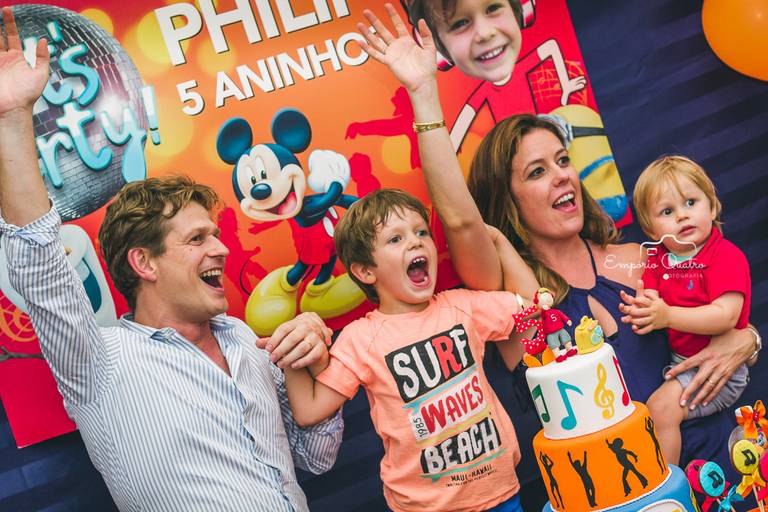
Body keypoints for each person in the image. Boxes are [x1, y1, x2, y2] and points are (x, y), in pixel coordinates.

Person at [354, 2, 760, 499]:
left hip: (730, 471)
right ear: (508, 199)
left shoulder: (642, 256)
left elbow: (723, 315)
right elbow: (460, 219)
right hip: (621, 502)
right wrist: (422, 94)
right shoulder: (511, 301)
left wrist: (746, 339)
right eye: (536, 171)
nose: (563, 174)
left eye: (562, 160)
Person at [0, 8, 341, 511]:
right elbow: (39, 261)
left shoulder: (246, 340)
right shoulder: (101, 363)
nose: (221, 249)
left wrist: (313, 366)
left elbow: (316, 460)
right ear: (145, 263)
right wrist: (11, 120)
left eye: (216, 234)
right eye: (198, 238)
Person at [283, 188, 528, 512]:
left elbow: (536, 303)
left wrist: (496, 241)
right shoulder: (361, 338)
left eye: (421, 232)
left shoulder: (463, 307)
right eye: (395, 239)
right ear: (365, 271)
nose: (415, 241)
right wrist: (290, 351)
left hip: (501, 494)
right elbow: (309, 410)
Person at [622, 155, 751, 465]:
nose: (682, 216)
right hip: (683, 363)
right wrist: (643, 308)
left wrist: (667, 315)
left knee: (661, 409)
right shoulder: (659, 259)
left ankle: (668, 488)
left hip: (723, 369)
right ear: (652, 230)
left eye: (691, 202)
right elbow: (649, 296)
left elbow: (726, 316)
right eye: (668, 211)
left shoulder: (724, 256)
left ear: (713, 206)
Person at [402, 0, 586, 152]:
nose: (485, 33)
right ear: (440, 52)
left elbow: (549, 48)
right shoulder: (485, 92)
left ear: (521, 8)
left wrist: (567, 85)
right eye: (459, 24)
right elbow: (458, 132)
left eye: (493, 8)